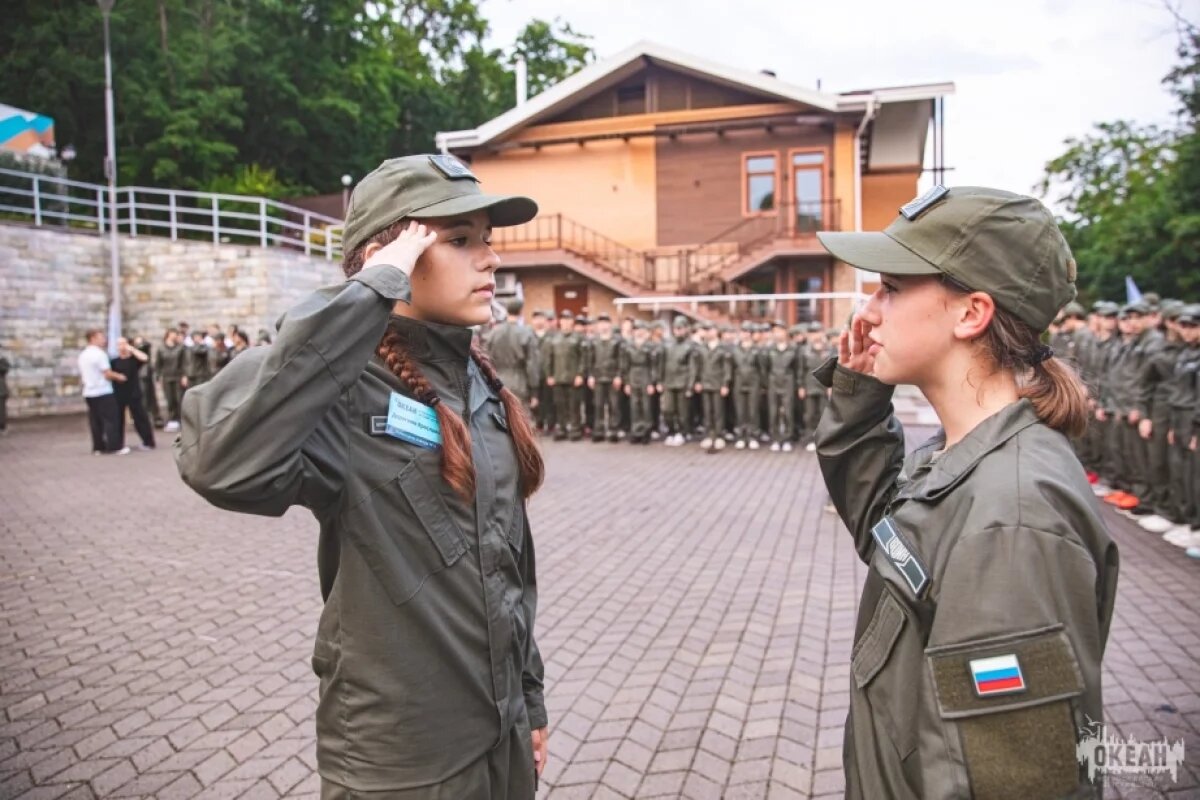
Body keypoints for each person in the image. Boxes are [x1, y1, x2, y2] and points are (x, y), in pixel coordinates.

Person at [175, 154, 548, 797]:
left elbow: (508, 569)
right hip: (404, 759)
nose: (489, 259)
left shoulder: (475, 385)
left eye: (487, 240)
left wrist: (530, 703)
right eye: (460, 241)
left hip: (500, 737)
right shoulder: (339, 390)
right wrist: (372, 289)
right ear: (393, 256)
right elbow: (222, 464)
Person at [814, 186, 1118, 799]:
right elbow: (888, 535)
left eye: (892, 289)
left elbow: (1014, 777)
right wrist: (857, 394)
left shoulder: (1013, 515)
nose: (868, 312)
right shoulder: (964, 456)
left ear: (971, 313)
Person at [485, 296, 541, 418]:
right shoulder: (526, 333)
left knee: (501, 419)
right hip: (519, 382)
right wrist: (535, 392)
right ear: (521, 311)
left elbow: (485, 359)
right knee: (521, 420)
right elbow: (532, 365)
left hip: (497, 381)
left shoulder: (494, 333)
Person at [78, 330, 130, 455]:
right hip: (103, 391)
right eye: (101, 338)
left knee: (95, 420)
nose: (104, 340)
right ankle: (114, 446)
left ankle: (98, 446)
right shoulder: (99, 354)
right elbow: (107, 373)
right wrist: (120, 377)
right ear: (93, 338)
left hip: (89, 392)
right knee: (111, 419)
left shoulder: (83, 355)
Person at [110, 337, 156, 450]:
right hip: (119, 393)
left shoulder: (133, 360)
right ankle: (118, 444)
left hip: (134, 392)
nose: (122, 346)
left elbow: (145, 358)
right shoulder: (113, 361)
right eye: (120, 344)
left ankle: (148, 442)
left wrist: (131, 349)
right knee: (118, 419)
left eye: (124, 343)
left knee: (140, 417)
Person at [546, 310, 585, 441]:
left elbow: (583, 358)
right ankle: (561, 429)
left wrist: (580, 374)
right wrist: (549, 375)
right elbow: (549, 358)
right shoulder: (554, 339)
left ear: (572, 322)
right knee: (560, 405)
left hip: (573, 378)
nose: (566, 322)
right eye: (563, 319)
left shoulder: (578, 338)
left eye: (568, 319)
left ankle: (575, 430)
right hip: (558, 377)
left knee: (574, 406)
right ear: (560, 321)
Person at [661, 317, 699, 446]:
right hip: (669, 382)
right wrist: (660, 381)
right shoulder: (667, 344)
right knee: (668, 410)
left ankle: (682, 433)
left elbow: (692, 367)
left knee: (683, 411)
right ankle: (671, 432)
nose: (678, 331)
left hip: (682, 382)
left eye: (680, 328)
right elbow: (662, 364)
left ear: (686, 329)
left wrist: (690, 386)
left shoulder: (690, 346)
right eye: (676, 328)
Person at [694, 321, 732, 452]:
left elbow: (726, 368)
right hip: (705, 382)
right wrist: (697, 381)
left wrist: (725, 384)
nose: (709, 332)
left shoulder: (722, 348)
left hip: (717, 383)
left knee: (718, 411)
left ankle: (719, 435)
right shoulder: (701, 348)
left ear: (716, 331)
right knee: (707, 411)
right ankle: (709, 435)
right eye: (707, 330)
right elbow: (697, 366)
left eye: (711, 329)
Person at [764, 320, 801, 452]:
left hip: (788, 382)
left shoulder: (793, 349)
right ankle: (775, 438)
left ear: (785, 332)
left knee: (788, 411)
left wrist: (798, 384)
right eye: (774, 332)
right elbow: (765, 367)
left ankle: (787, 439)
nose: (777, 334)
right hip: (773, 381)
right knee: (773, 412)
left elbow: (798, 368)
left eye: (779, 331)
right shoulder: (769, 349)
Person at [621, 321, 659, 444]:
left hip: (645, 374)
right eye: (636, 329)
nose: (639, 332)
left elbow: (653, 366)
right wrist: (626, 382)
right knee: (634, 405)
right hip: (633, 375)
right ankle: (636, 431)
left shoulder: (650, 346)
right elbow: (625, 365)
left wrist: (652, 382)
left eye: (641, 329)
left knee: (646, 406)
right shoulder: (628, 346)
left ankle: (646, 431)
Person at [587, 312, 623, 442]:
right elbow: (590, 360)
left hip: (612, 377)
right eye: (601, 322)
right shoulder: (594, 341)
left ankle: (613, 431)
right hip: (598, 378)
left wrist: (618, 376)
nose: (603, 325)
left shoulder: (616, 341)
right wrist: (590, 375)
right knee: (598, 405)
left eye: (605, 322)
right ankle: (599, 431)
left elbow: (620, 359)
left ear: (610, 324)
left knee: (614, 405)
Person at [155, 329, 186, 432]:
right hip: (166, 377)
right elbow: (158, 364)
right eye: (172, 334)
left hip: (178, 376)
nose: (174, 336)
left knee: (179, 398)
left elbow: (184, 363)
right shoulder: (161, 348)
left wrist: (184, 375)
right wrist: (158, 377)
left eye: (175, 334)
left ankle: (181, 420)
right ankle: (172, 419)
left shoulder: (180, 348)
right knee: (169, 399)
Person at [0, 351, 9, 435]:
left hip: (1, 390)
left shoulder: (2, 359)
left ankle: (2, 427)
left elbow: (5, 369)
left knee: (1, 410)